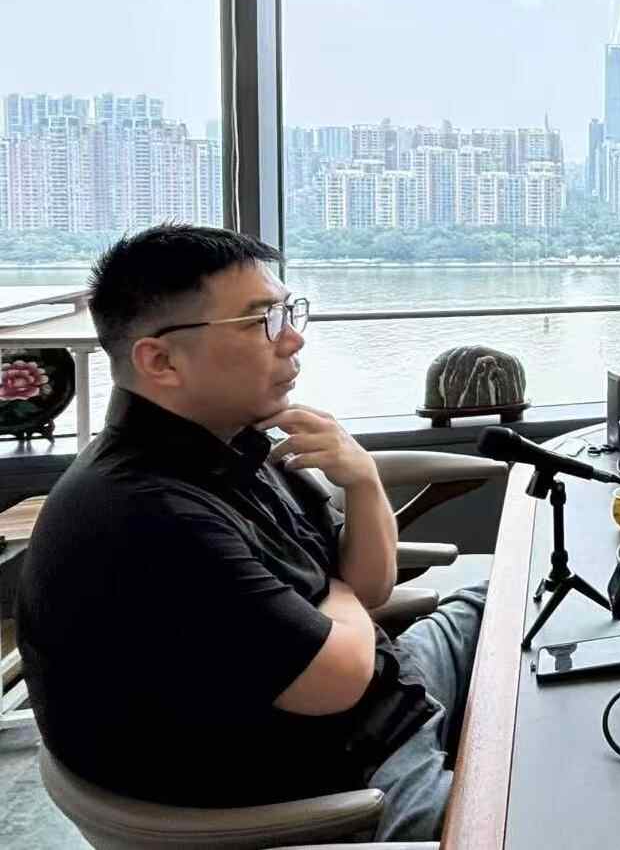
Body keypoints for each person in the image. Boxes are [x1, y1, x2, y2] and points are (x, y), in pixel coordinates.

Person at [17, 224, 483, 841]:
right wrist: (338, 594)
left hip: (390, 692)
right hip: (348, 767)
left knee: (511, 604)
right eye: (262, 320)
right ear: (160, 361)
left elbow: (369, 588)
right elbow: (337, 678)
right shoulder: (147, 513)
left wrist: (363, 479)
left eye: (288, 312)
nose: (293, 339)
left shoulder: (237, 441)